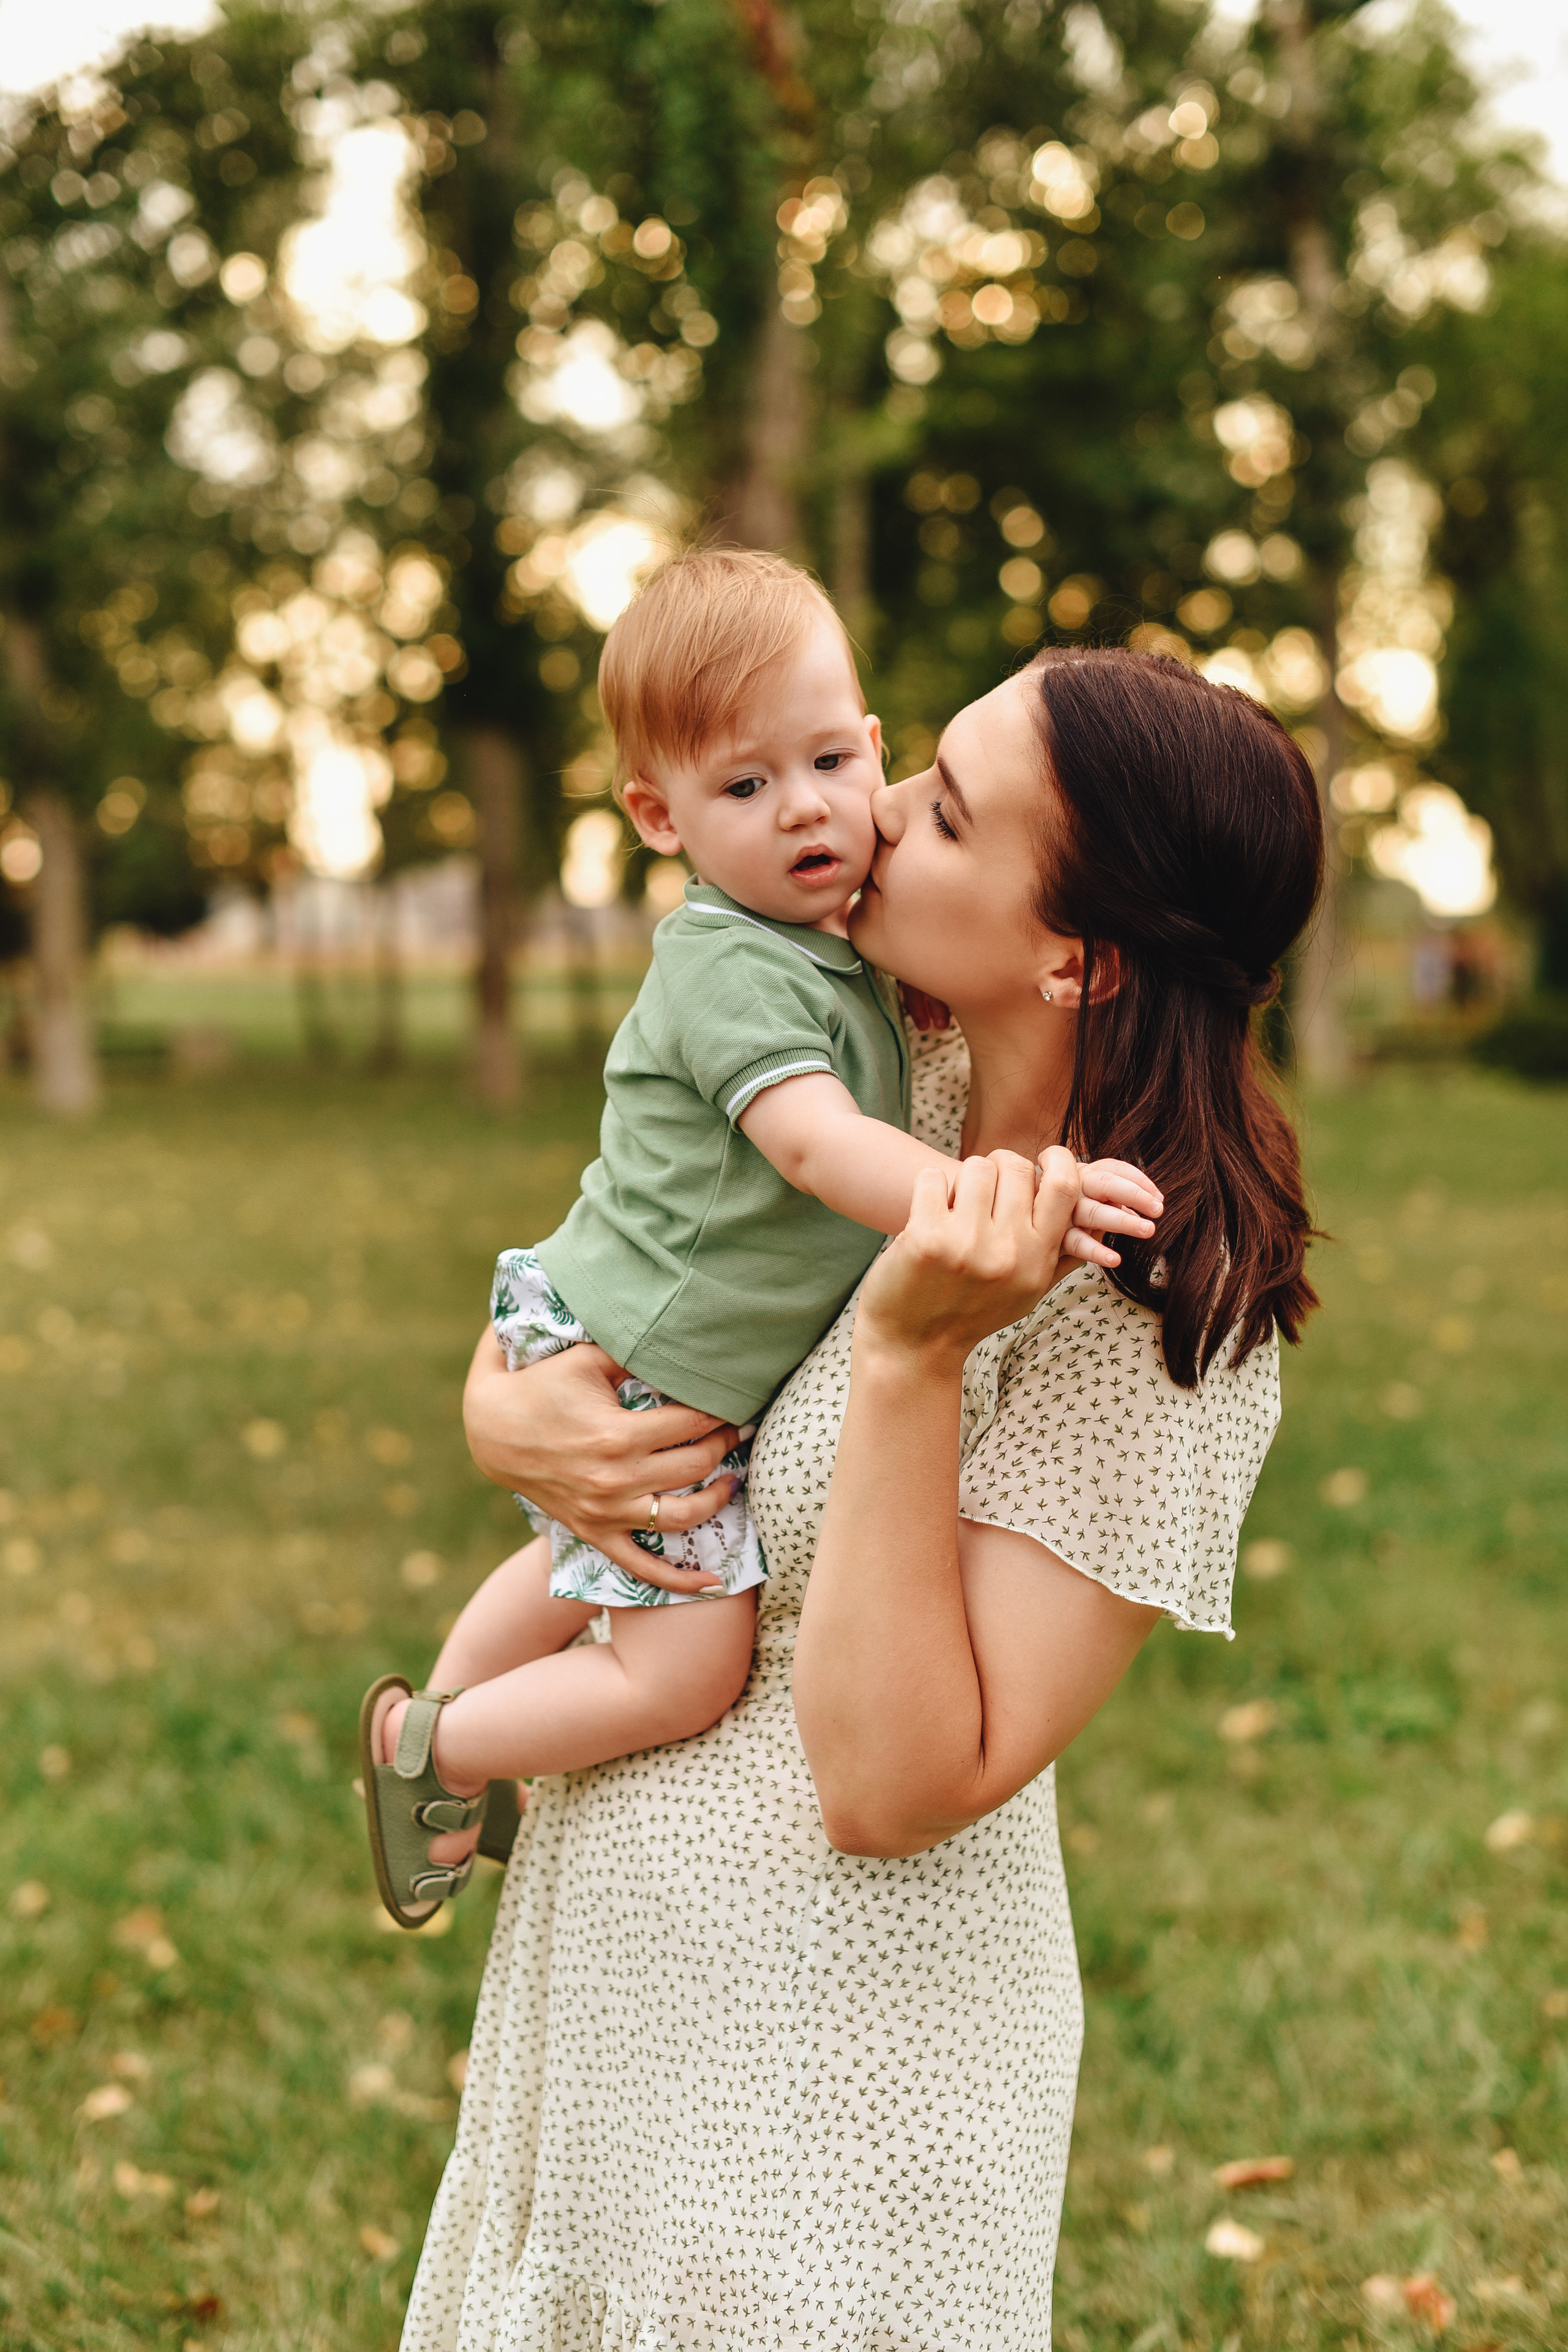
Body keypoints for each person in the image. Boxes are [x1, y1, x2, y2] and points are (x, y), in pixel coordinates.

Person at [401, 644, 1323, 2351]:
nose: (873, 817)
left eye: (947, 815)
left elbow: (898, 1785)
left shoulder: (1164, 1316)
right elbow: (618, 1290)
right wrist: (506, 1417)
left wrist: (909, 1358)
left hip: (839, 2079)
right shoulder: (887, 1082)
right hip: (609, 1991)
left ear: (1080, 954)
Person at [360, 552, 1155, 1930]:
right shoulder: (730, 962)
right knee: (677, 1667)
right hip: (636, 1359)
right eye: (743, 787)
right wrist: (981, 1204)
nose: (817, 810)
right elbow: (812, 1146)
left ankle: (434, 1719)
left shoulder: (846, 957)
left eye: (837, 759)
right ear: (655, 818)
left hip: (635, 1338)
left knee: (572, 1562)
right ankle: (438, 1749)